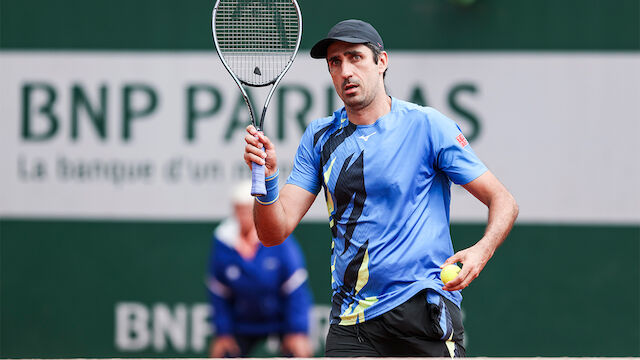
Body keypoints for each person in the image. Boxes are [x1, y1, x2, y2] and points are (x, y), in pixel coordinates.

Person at [243, 19, 519, 357]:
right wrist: (267, 179)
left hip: (422, 309)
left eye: (355, 57)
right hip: (352, 322)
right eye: (335, 62)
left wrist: (481, 250)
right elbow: (274, 231)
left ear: (381, 62)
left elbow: (503, 200)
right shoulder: (320, 137)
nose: (345, 71)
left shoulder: (427, 126)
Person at [206, 180, 313, 358]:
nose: (244, 215)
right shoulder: (222, 242)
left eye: (249, 209)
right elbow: (219, 293)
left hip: (281, 321)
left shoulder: (278, 236)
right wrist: (223, 333)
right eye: (239, 210)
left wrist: (297, 330)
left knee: (299, 353)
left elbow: (295, 288)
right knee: (222, 354)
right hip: (241, 324)